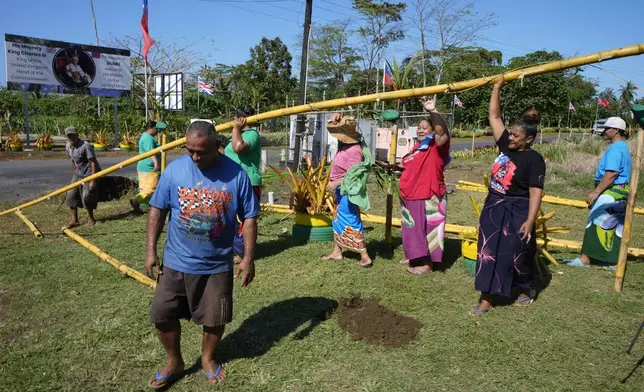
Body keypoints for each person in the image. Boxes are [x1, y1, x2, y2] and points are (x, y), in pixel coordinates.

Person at [145, 121, 259, 389]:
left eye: (201, 152)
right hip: (176, 261)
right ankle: (174, 361)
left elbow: (250, 218)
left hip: (216, 264)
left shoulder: (236, 175)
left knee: (214, 318)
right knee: (161, 314)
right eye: (190, 151)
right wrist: (150, 250)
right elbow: (157, 210)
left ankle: (208, 358)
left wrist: (248, 258)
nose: (195, 157)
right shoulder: (174, 171)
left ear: (217, 147)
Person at [471, 75, 546, 315]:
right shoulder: (505, 145)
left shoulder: (534, 160)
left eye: (515, 136)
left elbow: (536, 192)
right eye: (510, 133)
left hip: (519, 209)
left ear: (529, 139)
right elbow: (494, 116)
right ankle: (486, 297)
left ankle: (525, 288)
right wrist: (497, 87)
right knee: (488, 249)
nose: (510, 138)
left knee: (517, 252)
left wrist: (530, 220)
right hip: (494, 205)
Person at [564, 116, 632, 267]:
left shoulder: (615, 148)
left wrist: (596, 192)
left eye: (607, 128)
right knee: (614, 227)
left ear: (616, 131)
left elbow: (611, 174)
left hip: (612, 192)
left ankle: (585, 259)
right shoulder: (624, 147)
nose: (604, 131)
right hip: (621, 192)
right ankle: (612, 260)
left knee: (594, 221)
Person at [398, 96, 451, 275]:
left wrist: (432, 110)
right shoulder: (418, 147)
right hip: (410, 194)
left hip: (427, 194)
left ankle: (427, 263)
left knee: (426, 229)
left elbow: (441, 131)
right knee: (412, 228)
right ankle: (414, 256)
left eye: (425, 127)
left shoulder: (436, 145)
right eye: (419, 128)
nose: (420, 130)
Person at [322, 113, 373, 268]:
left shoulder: (355, 151)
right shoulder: (344, 146)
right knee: (337, 219)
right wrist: (337, 116)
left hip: (347, 191)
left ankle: (365, 256)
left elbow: (354, 176)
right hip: (340, 191)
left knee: (350, 219)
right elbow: (331, 124)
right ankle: (337, 251)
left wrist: (335, 183)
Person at [225, 107, 262, 260]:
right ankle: (233, 249)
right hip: (231, 182)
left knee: (246, 218)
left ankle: (243, 253)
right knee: (230, 218)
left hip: (248, 181)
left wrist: (235, 129)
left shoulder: (252, 134)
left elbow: (239, 148)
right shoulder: (235, 135)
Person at [64, 126, 101, 228]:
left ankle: (91, 218)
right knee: (70, 195)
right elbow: (73, 161)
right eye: (69, 136)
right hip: (78, 173)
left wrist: (93, 180)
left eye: (73, 135)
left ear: (77, 135)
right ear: (67, 137)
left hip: (90, 173)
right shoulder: (68, 146)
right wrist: (74, 174)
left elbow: (93, 163)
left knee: (87, 196)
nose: (72, 137)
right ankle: (75, 220)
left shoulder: (85, 146)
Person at [130, 120, 166, 214]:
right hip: (149, 167)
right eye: (156, 129)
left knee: (146, 188)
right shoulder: (148, 138)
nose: (157, 131)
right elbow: (151, 152)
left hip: (144, 166)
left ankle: (146, 206)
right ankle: (136, 201)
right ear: (152, 128)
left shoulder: (146, 136)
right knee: (151, 188)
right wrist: (156, 163)